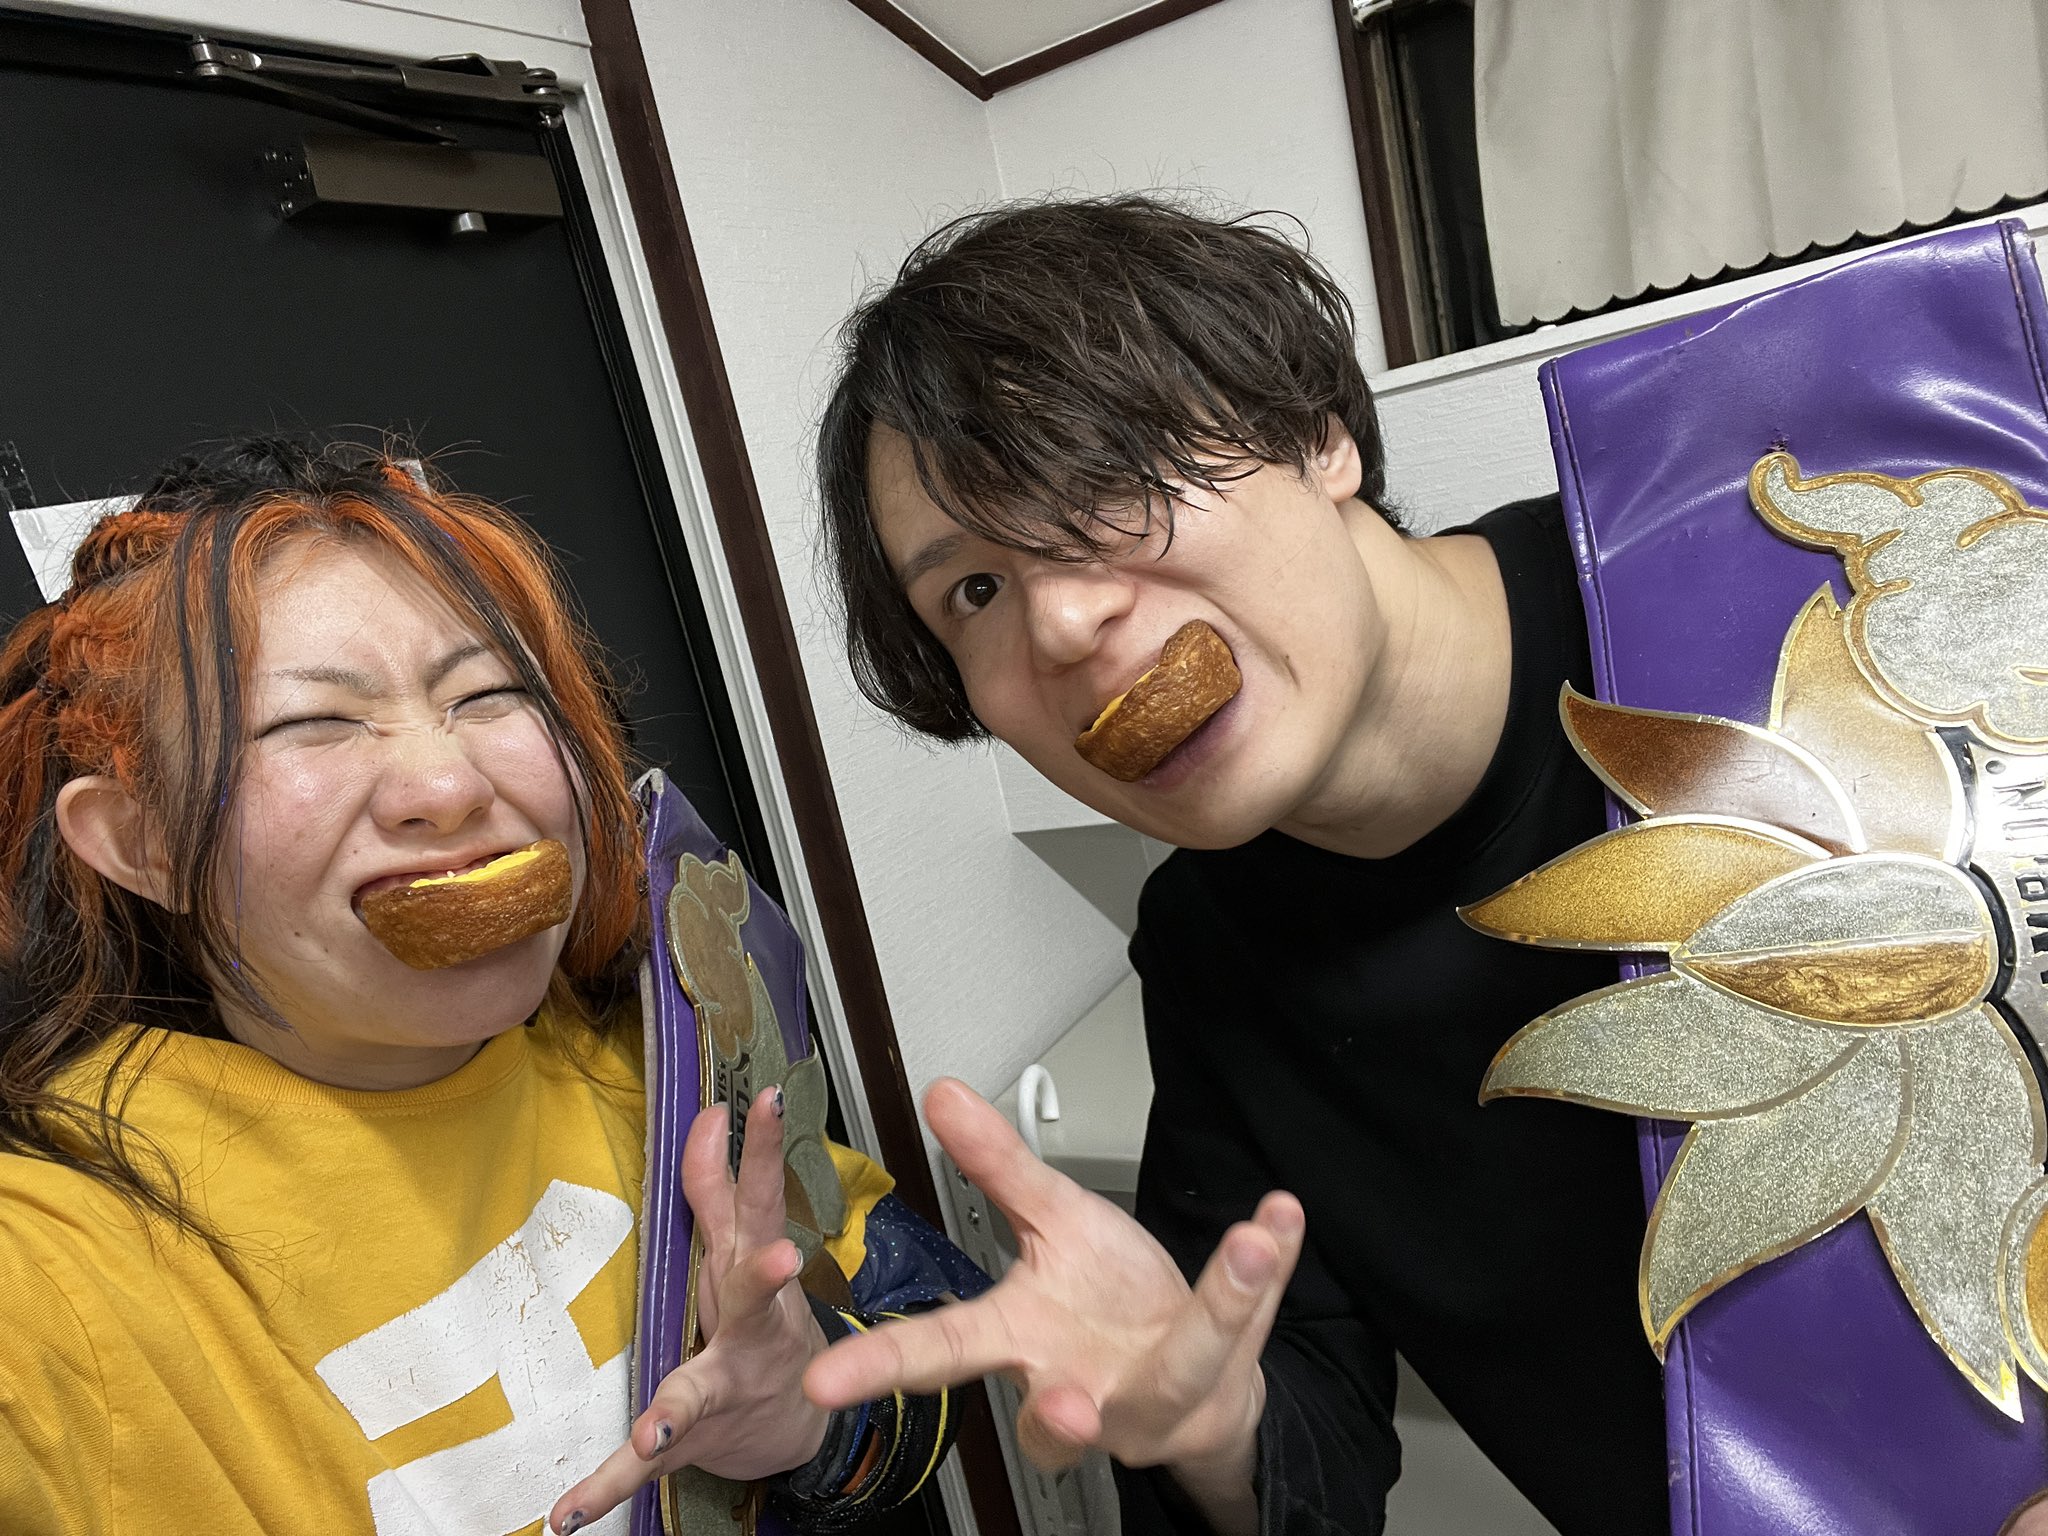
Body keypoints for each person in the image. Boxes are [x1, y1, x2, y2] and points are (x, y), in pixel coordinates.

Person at [801, 196, 1672, 1536]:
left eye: (1104, 477)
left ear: (1317, 434)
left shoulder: (1738, 578)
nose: (1060, 621)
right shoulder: (1212, 953)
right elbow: (1296, 1426)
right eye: (971, 590)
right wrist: (1210, 1431)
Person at [0, 438, 975, 1536]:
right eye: (312, 724)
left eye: (489, 694)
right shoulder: (54, 1263)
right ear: (143, 844)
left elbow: (933, 1326)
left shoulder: (674, 1058)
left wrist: (814, 1421)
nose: (448, 784)